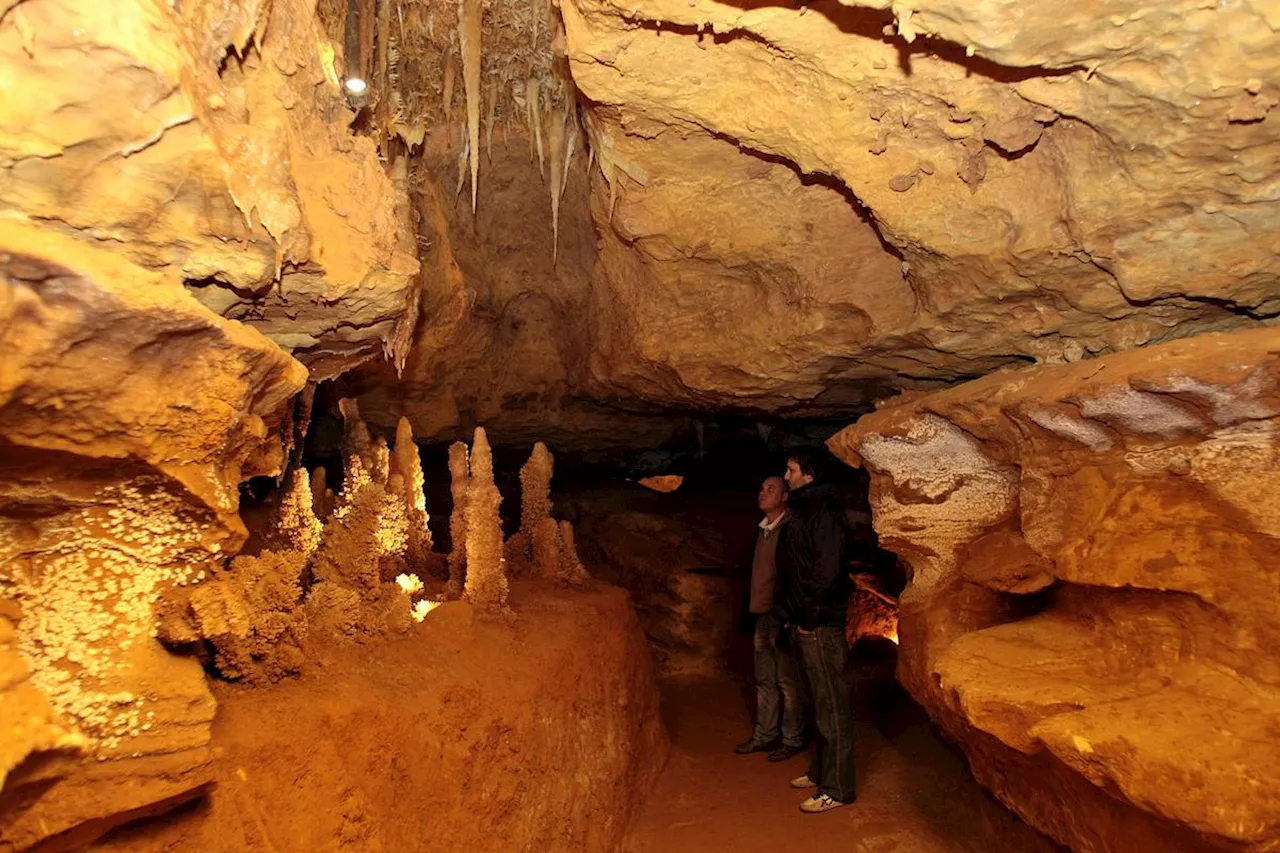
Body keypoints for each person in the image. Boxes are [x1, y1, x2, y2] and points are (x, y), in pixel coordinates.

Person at [776, 449, 855, 813]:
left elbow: (827, 571)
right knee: (816, 702)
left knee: (831, 707)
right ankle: (821, 771)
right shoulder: (807, 509)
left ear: (809, 476)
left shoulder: (824, 511)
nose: (786, 476)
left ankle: (838, 789)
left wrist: (808, 616)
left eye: (791, 470)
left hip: (821, 623)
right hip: (807, 621)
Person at [734, 476, 807, 762]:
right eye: (762, 487)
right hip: (762, 614)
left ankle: (792, 738)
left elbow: (794, 576)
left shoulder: (790, 529)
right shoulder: (764, 530)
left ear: (786, 496)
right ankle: (765, 735)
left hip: (781, 615)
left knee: (787, 681)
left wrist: (789, 614)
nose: (763, 492)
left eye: (771, 489)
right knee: (764, 678)